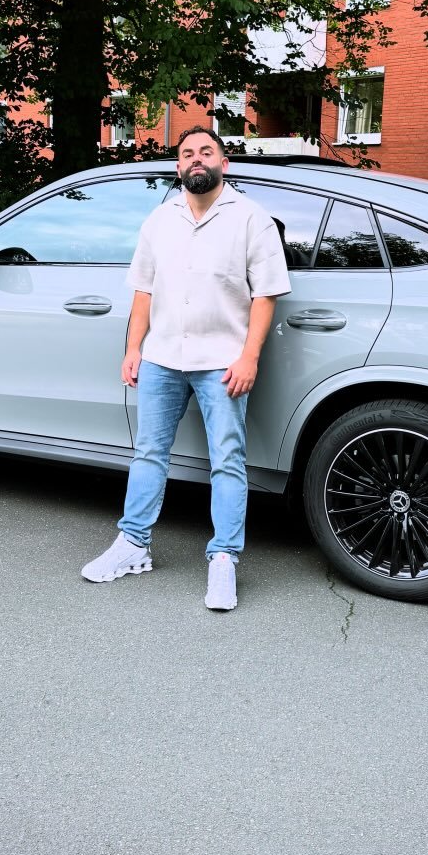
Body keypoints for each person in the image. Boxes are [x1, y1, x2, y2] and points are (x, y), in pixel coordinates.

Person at [81, 126, 291, 610]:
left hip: (223, 363)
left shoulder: (251, 219)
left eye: (206, 151)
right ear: (179, 167)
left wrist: (249, 357)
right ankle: (133, 545)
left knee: (227, 460)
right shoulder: (160, 220)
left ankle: (224, 559)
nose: (197, 159)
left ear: (224, 163)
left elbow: (266, 295)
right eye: (188, 153)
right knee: (149, 452)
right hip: (161, 357)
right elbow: (144, 290)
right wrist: (133, 348)